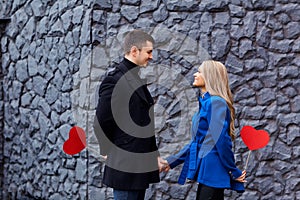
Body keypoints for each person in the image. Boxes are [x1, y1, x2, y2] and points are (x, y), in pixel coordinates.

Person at [94, 29, 165, 200]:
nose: (151, 56)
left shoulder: (134, 78)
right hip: (126, 167)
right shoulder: (115, 80)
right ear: (134, 51)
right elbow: (101, 120)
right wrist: (108, 149)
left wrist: (153, 155)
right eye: (148, 52)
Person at [162, 60, 246, 200]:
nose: (195, 74)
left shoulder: (215, 103)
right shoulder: (207, 103)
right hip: (208, 174)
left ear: (210, 76)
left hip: (212, 172)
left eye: (200, 72)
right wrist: (171, 161)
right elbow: (197, 143)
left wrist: (233, 170)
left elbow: (222, 142)